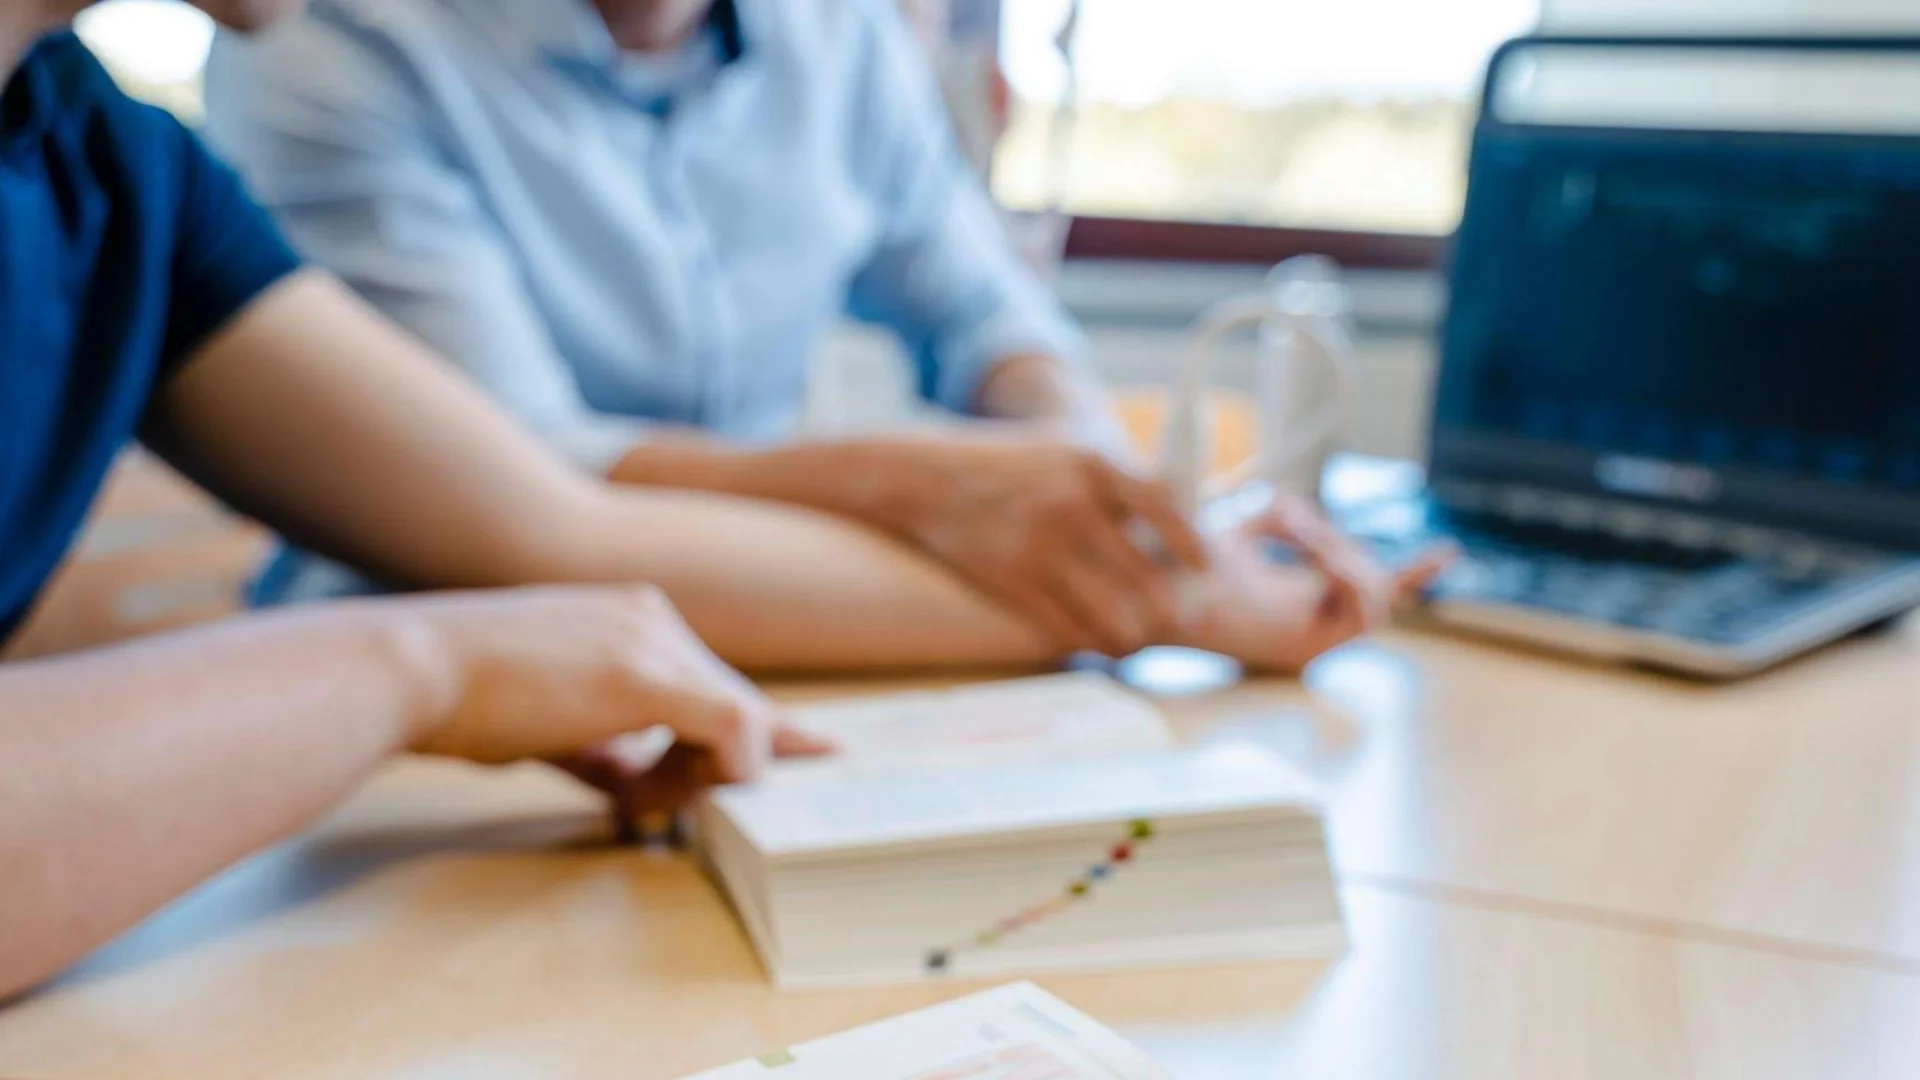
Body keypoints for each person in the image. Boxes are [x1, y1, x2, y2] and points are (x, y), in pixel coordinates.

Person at [0, 0, 1438, 999]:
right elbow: (535, 525)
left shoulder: (113, 161)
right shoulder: (338, 52)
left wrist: (1169, 578)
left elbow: (558, 534)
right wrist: (432, 657)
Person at [202, 0, 1206, 655]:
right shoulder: (331, 36)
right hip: (432, 650)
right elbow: (511, 481)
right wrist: (930, 487)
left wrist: (1085, 472)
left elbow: (985, 314)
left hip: (775, 618)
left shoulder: (842, 36)